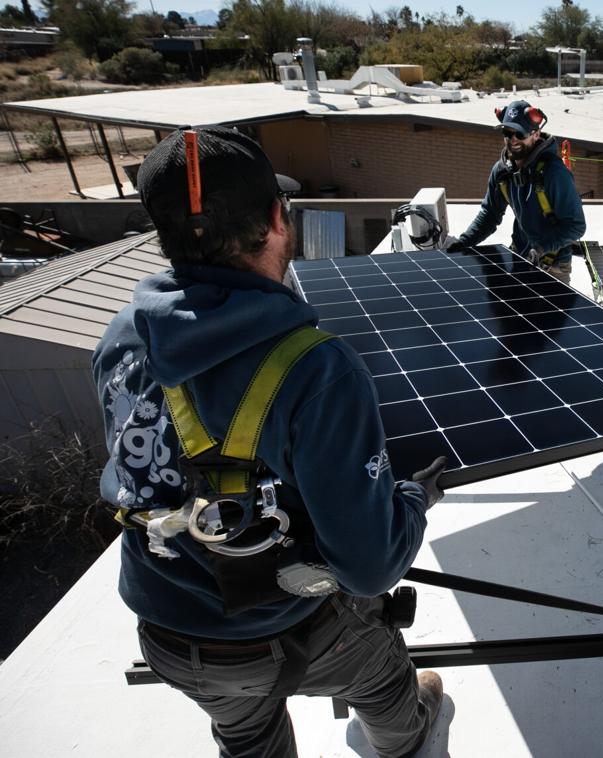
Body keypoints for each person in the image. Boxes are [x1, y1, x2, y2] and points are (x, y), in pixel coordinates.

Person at [92, 126, 447, 758]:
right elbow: (367, 570)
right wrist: (412, 501)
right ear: (278, 219)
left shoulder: (124, 333)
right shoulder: (316, 369)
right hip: (294, 631)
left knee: (247, 734)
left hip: (168, 633)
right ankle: (409, 738)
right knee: (385, 675)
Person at [448, 99, 586, 284]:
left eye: (520, 133)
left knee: (549, 312)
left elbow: (576, 226)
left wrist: (541, 248)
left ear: (535, 134)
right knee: (513, 308)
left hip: (553, 263)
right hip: (520, 254)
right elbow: (490, 214)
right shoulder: (502, 171)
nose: (513, 140)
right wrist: (464, 241)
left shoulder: (554, 173)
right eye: (507, 133)